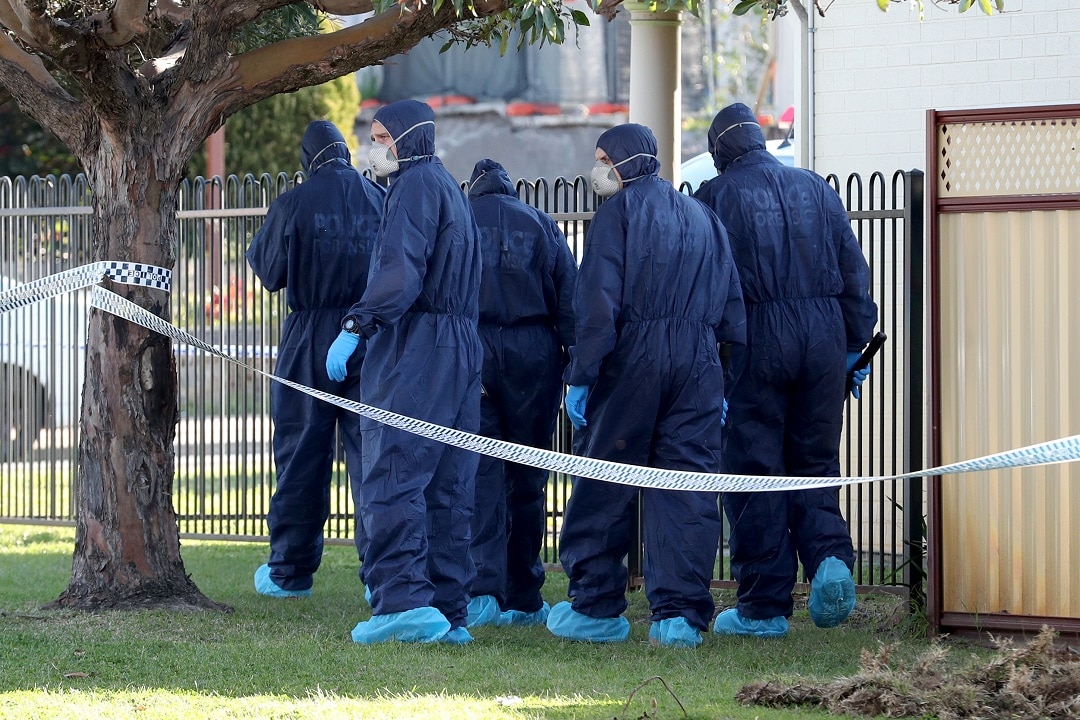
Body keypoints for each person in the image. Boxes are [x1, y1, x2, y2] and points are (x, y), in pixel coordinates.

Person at [547, 123, 746, 648]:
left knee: (604, 478)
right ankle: (679, 617)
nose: (597, 169)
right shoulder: (704, 217)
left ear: (624, 162)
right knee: (687, 487)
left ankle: (595, 607)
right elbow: (733, 307)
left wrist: (582, 376)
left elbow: (596, 305)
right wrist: (721, 380)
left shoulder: (619, 214)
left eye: (601, 159)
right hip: (699, 364)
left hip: (634, 359)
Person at [693, 102, 877, 638]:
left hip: (754, 339)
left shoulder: (716, 196)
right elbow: (852, 270)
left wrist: (712, 354)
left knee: (754, 470)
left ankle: (764, 605)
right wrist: (852, 345)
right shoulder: (816, 188)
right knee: (814, 461)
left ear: (720, 151)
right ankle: (830, 562)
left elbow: (710, 283)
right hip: (822, 337)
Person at [325, 99, 483, 645]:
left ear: (408, 139)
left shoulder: (413, 187)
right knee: (447, 484)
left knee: (393, 469)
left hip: (417, 346)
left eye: (381, 136)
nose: (375, 147)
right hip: (460, 348)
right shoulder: (450, 189)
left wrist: (356, 324)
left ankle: (402, 605)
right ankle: (447, 608)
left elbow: (400, 270)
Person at [246, 120, 385, 598]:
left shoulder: (294, 201)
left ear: (307, 158)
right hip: (369, 335)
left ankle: (290, 571)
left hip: (309, 336)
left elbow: (268, 271)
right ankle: (382, 574)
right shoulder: (379, 199)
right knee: (373, 458)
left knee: (299, 454)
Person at [463, 158, 578, 629]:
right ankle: (525, 592)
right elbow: (570, 296)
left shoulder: (461, 219)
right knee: (529, 476)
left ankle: (483, 589)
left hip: (476, 345)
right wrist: (578, 365)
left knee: (482, 473)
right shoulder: (541, 224)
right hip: (536, 352)